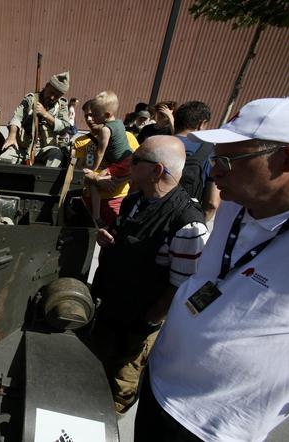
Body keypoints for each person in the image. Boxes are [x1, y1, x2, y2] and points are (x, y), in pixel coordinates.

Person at [134, 97, 289, 442]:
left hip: (214, 426)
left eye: (229, 159)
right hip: (160, 386)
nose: (215, 170)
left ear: (287, 158)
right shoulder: (237, 204)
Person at [89, 135, 208, 414]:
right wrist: (110, 238)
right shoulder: (135, 201)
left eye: (137, 160)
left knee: (122, 381)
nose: (129, 163)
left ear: (157, 170)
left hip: (139, 323)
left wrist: (150, 320)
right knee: (95, 365)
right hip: (111, 308)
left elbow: (181, 285)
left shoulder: (188, 224)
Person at [75, 99, 139, 227]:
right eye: (86, 116)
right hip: (90, 200)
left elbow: (137, 167)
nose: (89, 119)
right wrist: (96, 179)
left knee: (112, 239)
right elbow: (76, 171)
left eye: (92, 115)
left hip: (116, 199)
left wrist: (118, 181)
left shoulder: (126, 137)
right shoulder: (81, 141)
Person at [1, 72, 72, 167]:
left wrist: (45, 114)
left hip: (46, 148)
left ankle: (46, 181)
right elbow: (16, 118)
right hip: (24, 147)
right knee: (3, 160)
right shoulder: (31, 99)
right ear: (47, 86)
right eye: (51, 92)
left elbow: (64, 127)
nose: (52, 97)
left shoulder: (62, 105)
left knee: (56, 155)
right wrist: (12, 136)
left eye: (57, 96)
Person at [173, 100, 220, 221]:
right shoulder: (211, 151)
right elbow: (212, 203)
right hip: (182, 222)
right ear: (202, 124)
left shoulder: (153, 143)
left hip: (147, 219)